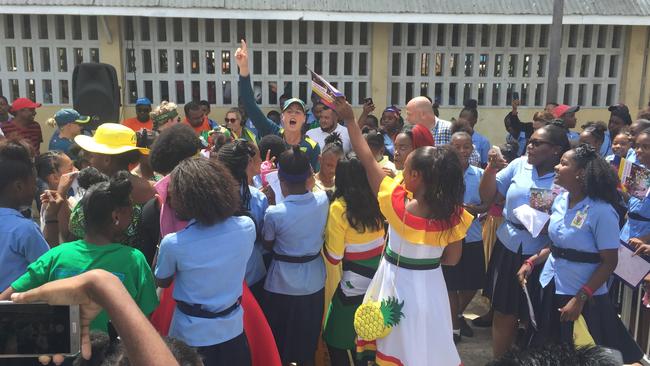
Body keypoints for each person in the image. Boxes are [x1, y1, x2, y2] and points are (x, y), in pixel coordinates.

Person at [335, 97, 472, 366]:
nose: (401, 172)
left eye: (406, 169)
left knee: (395, 343)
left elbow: (365, 157)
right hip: (431, 285)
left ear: (416, 176)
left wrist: (351, 120)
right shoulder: (454, 214)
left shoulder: (397, 204)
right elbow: (452, 259)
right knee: (427, 342)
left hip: (395, 284)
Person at [519, 144, 644, 364]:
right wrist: (532, 261)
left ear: (580, 173)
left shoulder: (602, 211)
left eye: (564, 163)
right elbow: (557, 245)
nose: (557, 167)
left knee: (583, 356)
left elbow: (609, 262)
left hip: (582, 298)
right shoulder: (559, 201)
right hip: (551, 285)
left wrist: (580, 298)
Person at [1, 172, 159, 334]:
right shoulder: (134, 260)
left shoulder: (55, 255)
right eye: (130, 211)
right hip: (111, 356)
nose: (132, 216)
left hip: (60, 354)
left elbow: (7, 299)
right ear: (116, 216)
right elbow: (146, 318)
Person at [479, 124, 570, 358]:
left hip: (542, 251)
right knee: (504, 310)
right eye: (530, 141)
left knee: (536, 314)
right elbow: (488, 196)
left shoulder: (566, 177)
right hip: (509, 244)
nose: (530, 145)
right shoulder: (519, 165)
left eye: (537, 143)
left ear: (555, 150)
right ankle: (500, 360)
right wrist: (490, 170)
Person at [155, 157, 255, 366]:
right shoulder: (247, 227)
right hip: (234, 331)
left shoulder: (173, 243)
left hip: (190, 339)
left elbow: (162, 280)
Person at [10, 269, 179, 365]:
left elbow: (8, 293)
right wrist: (104, 286)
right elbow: (148, 307)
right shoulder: (136, 259)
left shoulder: (54, 255)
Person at [261, 146, 329, 365]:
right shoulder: (323, 201)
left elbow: (267, 244)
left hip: (281, 283)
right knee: (306, 342)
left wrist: (270, 203)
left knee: (281, 341)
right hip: (314, 282)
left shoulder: (274, 213)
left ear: (280, 178)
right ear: (310, 173)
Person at [322, 155, 385, 366]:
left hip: (352, 285)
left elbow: (334, 257)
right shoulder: (378, 198)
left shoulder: (339, 208)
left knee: (335, 339)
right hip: (378, 282)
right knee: (367, 339)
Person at [235, 40, 321, 172]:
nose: (293, 114)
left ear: (304, 118)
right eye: (289, 111)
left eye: (298, 112)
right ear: (282, 117)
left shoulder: (312, 147)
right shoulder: (272, 133)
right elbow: (249, 104)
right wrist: (244, 68)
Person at [444, 131, 488, 344]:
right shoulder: (441, 173)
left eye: (467, 146)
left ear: (473, 149)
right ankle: (454, 328)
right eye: (458, 146)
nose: (462, 151)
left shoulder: (480, 175)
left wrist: (473, 209)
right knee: (451, 284)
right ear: (450, 147)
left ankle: (456, 315)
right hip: (448, 237)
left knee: (474, 282)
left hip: (471, 236)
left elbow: (487, 204)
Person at [217, 140, 269, 298]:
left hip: (221, 280)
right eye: (259, 157)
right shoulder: (258, 198)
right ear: (250, 162)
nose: (261, 161)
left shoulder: (211, 195)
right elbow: (266, 241)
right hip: (253, 276)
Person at [0, 139, 50, 290]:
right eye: (34, 183)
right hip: (15, 310)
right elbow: (48, 270)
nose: (36, 189)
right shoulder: (25, 229)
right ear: (19, 186)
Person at [74, 123, 155, 205]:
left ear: (107, 160)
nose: (89, 161)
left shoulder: (96, 197)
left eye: (92, 156)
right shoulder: (156, 189)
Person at [460, 99, 491, 167]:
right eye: (461, 120)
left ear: (475, 120)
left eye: (467, 121)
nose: (463, 124)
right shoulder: (453, 138)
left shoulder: (483, 142)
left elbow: (484, 166)